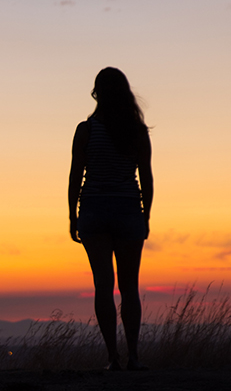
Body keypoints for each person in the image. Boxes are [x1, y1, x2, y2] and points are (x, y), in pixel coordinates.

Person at [68, 67, 153, 371]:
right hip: (128, 209)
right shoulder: (137, 131)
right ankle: (133, 356)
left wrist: (72, 215)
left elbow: (76, 176)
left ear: (97, 93)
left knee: (103, 285)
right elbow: (146, 178)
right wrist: (146, 215)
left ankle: (112, 358)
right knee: (129, 286)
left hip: (93, 210)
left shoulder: (86, 130)